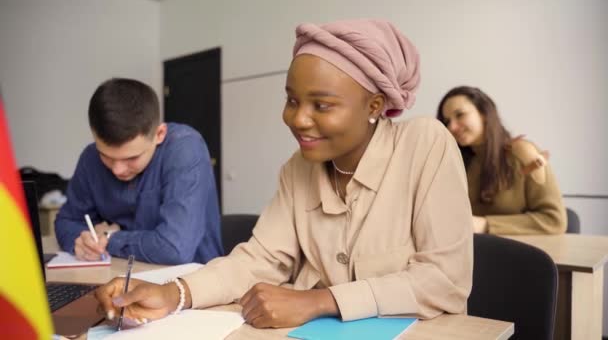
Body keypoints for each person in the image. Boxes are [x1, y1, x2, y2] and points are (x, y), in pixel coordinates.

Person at [95, 20, 473, 329]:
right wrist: (174, 293)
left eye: (321, 105)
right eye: (292, 100)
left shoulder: (425, 143)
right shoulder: (298, 166)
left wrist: (320, 301)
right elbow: (258, 260)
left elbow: (444, 281)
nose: (298, 119)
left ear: (374, 105)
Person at [54, 78, 223, 264]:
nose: (118, 169)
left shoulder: (185, 149)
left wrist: (109, 238)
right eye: (106, 156)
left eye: (131, 158)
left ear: (159, 134)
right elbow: (66, 222)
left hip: (192, 280)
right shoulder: (90, 157)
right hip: (121, 275)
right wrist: (81, 241)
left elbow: (174, 249)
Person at [437, 86, 566, 234]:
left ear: (484, 113)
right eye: (447, 121)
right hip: (467, 251)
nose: (451, 127)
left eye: (460, 115)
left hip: (517, 252)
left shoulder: (523, 154)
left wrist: (486, 225)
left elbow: (554, 220)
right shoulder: (454, 162)